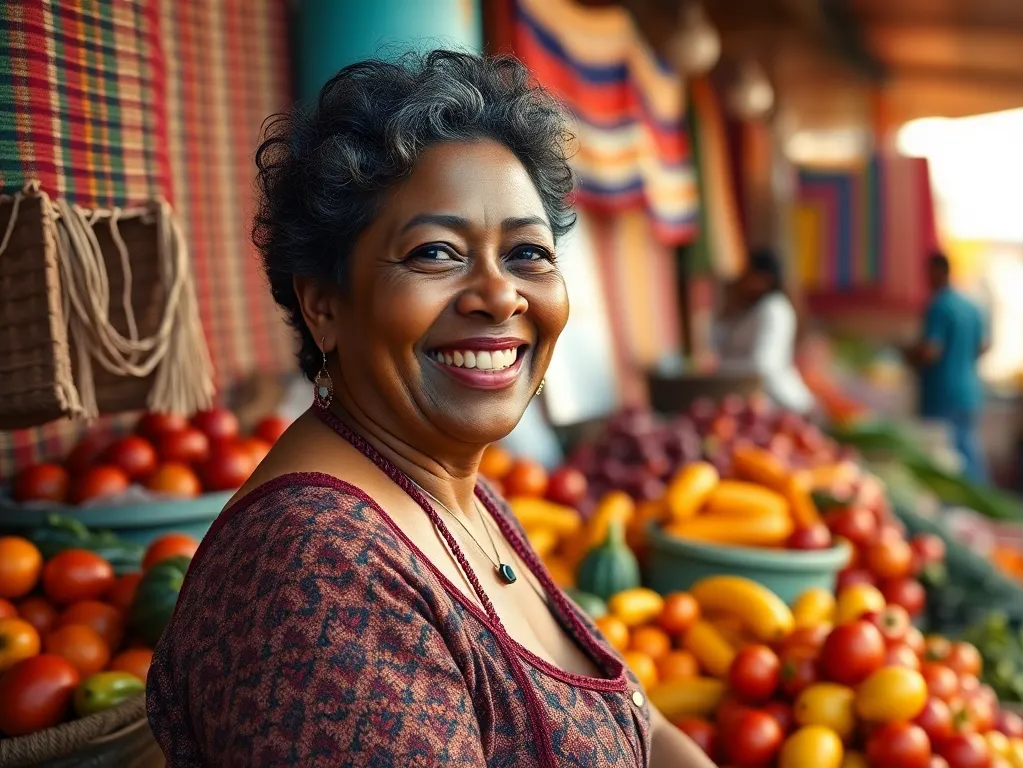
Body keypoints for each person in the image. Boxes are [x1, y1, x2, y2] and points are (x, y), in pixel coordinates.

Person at [145, 51, 715, 768]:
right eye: (437, 253)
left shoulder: (461, 493)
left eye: (528, 254)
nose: (501, 295)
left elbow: (648, 728)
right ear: (324, 304)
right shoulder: (319, 574)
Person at [905, 252, 990, 483]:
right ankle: (978, 501)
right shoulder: (971, 307)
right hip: (968, 390)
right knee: (967, 449)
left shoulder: (939, 306)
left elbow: (931, 351)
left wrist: (909, 354)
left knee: (946, 459)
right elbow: (983, 347)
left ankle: (966, 508)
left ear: (939, 271)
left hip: (943, 393)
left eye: (928, 273)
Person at [713, 248, 817, 413]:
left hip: (781, 401)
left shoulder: (773, 309)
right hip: (760, 401)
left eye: (749, 274)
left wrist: (717, 369)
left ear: (765, 278)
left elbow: (762, 364)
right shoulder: (750, 309)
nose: (743, 280)